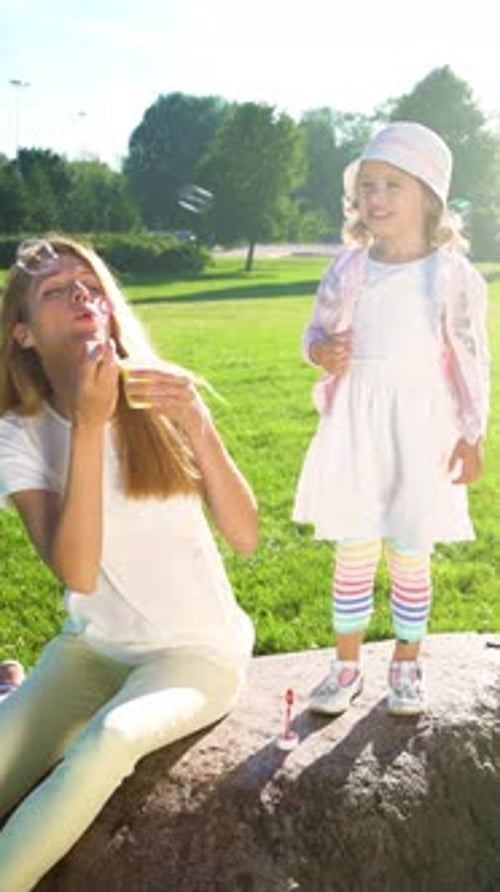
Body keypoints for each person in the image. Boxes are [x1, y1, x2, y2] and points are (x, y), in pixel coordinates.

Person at [0, 234, 258, 890]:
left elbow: (246, 534)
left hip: (195, 654)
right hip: (91, 650)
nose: (80, 293)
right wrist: (88, 424)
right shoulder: (17, 434)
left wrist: (198, 420)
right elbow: (77, 574)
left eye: (88, 284)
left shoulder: (157, 396)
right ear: (24, 335)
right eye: (56, 290)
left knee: (108, 742)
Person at [293, 122, 489, 718]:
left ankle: (406, 666)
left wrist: (472, 433)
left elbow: (471, 355)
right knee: (353, 545)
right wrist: (320, 350)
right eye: (368, 185)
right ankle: (345, 666)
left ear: (429, 195)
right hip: (358, 420)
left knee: (409, 548)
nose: (375, 198)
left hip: (420, 426)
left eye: (392, 186)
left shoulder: (452, 276)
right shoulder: (349, 269)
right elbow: (316, 332)